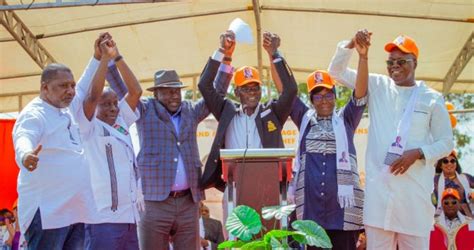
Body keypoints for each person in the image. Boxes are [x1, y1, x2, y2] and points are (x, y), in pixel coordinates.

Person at [328, 30, 454, 249]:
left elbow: (446, 142)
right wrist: (353, 46)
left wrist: (418, 154)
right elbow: (336, 72)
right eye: (390, 61)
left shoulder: (431, 97)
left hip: (413, 200)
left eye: (402, 61)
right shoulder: (377, 85)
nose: (395, 65)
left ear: (415, 63)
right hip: (380, 201)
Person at [106, 36, 231, 250]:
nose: (175, 95)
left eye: (177, 90)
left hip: (188, 202)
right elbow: (122, 91)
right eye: (168, 90)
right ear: (156, 93)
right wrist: (110, 60)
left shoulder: (191, 111)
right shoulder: (145, 110)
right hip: (155, 202)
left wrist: (225, 58)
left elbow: (215, 93)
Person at [12, 34, 104, 249]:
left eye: (70, 85)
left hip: (75, 209)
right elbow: (23, 137)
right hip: (47, 212)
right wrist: (26, 155)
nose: (70, 91)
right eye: (63, 86)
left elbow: (83, 87)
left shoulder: (66, 108)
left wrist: (97, 57)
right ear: (45, 88)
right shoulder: (35, 114)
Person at [283, 34, 368, 250]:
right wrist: (274, 54)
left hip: (343, 213)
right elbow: (287, 91)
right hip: (312, 212)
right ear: (311, 100)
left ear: (335, 96)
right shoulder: (304, 119)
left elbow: (360, 93)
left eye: (328, 94)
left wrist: (363, 57)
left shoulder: (346, 119)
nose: (324, 100)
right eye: (318, 96)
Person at [199, 31, 297, 192]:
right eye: (246, 88)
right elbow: (204, 85)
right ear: (237, 92)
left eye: (255, 87)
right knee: (235, 219)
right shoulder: (226, 111)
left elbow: (291, 90)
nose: (252, 92)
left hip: (267, 186)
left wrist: (274, 54)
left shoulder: (272, 112)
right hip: (233, 187)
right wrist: (222, 52)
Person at [76, 35, 144, 249]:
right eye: (106, 104)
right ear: (95, 107)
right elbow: (92, 96)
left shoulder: (121, 121)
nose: (114, 108)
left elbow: (136, 91)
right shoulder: (88, 126)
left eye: (115, 103)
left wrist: (117, 56)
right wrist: (103, 59)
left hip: (129, 218)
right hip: (102, 218)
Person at [434, 151, 474, 217]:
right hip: (442, 220)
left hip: (468, 217)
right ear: (440, 165)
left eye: (452, 161)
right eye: (445, 161)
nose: (449, 163)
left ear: (456, 164)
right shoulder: (435, 179)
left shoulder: (466, 177)